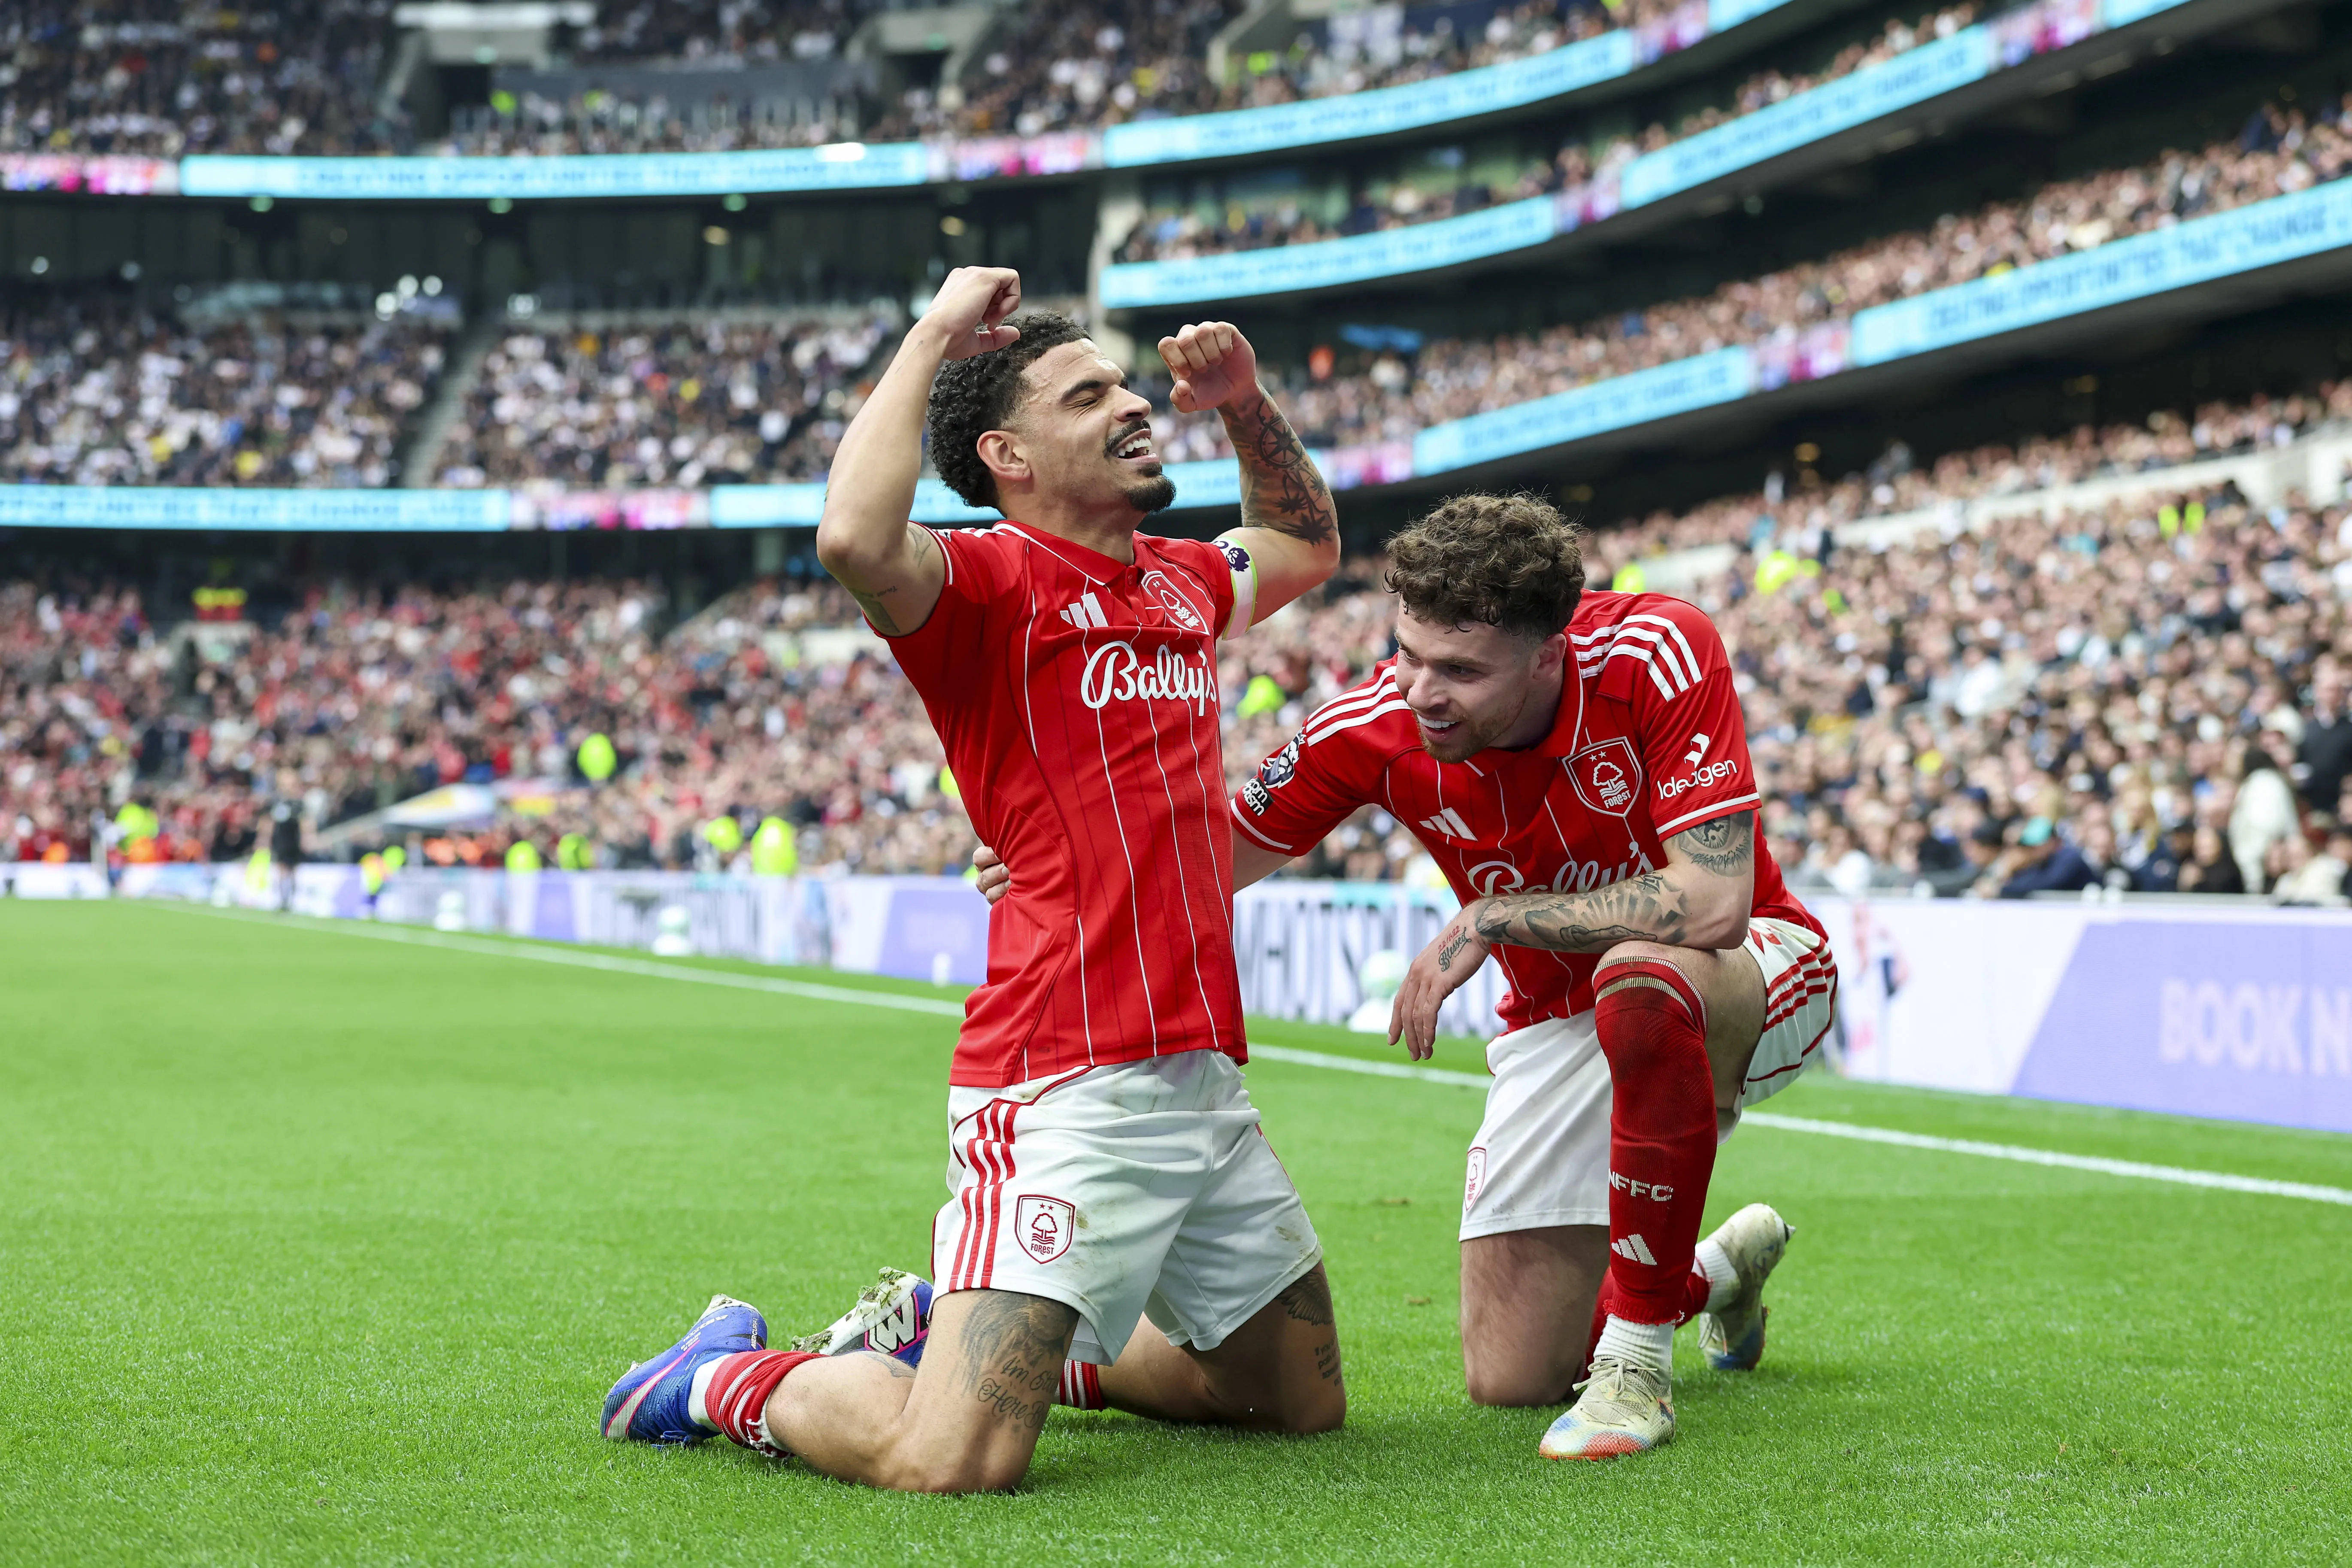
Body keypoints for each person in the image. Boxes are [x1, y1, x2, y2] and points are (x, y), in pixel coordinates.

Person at [600, 267, 1347, 1492]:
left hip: (1199, 1076)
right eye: (1087, 393)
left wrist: (1246, 402)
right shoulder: (985, 583)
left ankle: (983, 1332)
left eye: (1125, 384)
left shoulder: (1180, 580)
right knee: (949, 1460)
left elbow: (1309, 539)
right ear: (1007, 452)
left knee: (1287, 1402)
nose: (1130, 403)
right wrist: (936, 335)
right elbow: (850, 536)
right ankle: (713, 1378)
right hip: (1062, 1075)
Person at [979, 494, 1825, 1460]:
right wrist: (1065, 851)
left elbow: (1712, 901)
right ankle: (1714, 1271)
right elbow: (1198, 855)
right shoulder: (1375, 721)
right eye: (1411, 653)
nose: (1422, 691)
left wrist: (1495, 915)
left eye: (1461, 670)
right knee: (1511, 1374)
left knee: (1641, 980)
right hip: (1560, 1014)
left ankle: (1636, 1369)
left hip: (1748, 969)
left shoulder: (1658, 649)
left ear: (1551, 652)